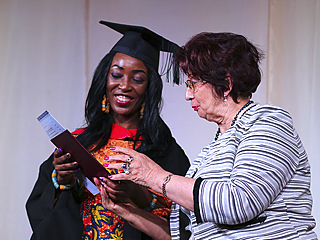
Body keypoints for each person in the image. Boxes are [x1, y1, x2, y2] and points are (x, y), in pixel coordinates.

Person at [98, 32, 317, 239]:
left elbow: (238, 203)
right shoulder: (210, 152)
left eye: (192, 83)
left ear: (226, 85)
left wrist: (154, 177)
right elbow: (182, 235)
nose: (187, 95)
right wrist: (127, 211)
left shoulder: (268, 122)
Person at [26, 21, 190, 240]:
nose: (124, 85)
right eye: (116, 75)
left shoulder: (164, 150)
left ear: (149, 89)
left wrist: (138, 196)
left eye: (138, 79)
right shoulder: (79, 142)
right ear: (105, 79)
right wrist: (62, 182)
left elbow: (183, 225)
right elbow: (40, 211)